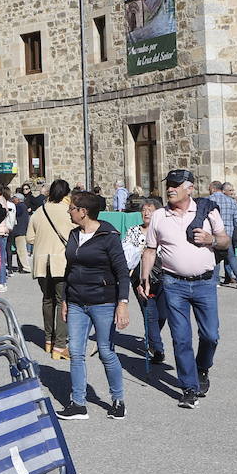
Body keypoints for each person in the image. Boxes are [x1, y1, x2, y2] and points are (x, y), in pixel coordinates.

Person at [140, 169, 230, 410]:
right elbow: (150, 249)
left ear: (190, 188)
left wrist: (211, 240)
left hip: (205, 282)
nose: (171, 188)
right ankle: (189, 388)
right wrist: (145, 277)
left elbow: (225, 240)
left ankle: (202, 368)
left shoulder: (207, 210)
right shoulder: (159, 216)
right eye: (169, 184)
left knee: (211, 335)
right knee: (181, 338)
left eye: (176, 184)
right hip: (173, 283)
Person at [57, 192, 130, 420]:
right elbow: (69, 270)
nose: (69, 211)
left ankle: (118, 400)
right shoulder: (73, 234)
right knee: (76, 352)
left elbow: (122, 273)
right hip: (77, 302)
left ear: (83, 212)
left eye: (72, 208)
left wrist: (122, 304)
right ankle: (78, 403)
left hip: (104, 302)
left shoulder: (108, 236)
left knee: (106, 352)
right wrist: (65, 300)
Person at [27, 179, 72, 360]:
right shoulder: (68, 212)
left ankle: (48, 340)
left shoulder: (39, 211)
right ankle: (60, 345)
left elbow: (30, 237)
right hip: (60, 261)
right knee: (63, 302)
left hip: (41, 261)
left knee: (47, 300)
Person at [122, 197, 167, 364]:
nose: (146, 213)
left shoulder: (164, 231)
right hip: (140, 278)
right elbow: (125, 254)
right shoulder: (133, 231)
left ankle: (151, 337)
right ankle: (158, 349)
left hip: (162, 277)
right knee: (150, 313)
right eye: (144, 210)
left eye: (150, 210)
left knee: (163, 314)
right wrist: (139, 252)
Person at [207, 180, 237, 289]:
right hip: (228, 233)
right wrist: (233, 227)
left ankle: (216, 281)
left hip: (214, 232)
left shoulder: (209, 200)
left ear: (213, 188)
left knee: (216, 257)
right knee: (232, 256)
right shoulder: (231, 201)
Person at [0, 183, 14, 293]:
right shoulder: (4, 200)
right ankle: (2, 279)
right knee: (1, 256)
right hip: (3, 231)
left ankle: (2, 281)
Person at [10, 192, 31, 273]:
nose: (13, 199)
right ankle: (21, 266)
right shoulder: (22, 206)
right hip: (20, 231)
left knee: (22, 251)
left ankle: (26, 267)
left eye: (14, 198)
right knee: (20, 250)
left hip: (20, 232)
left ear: (18, 199)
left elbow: (15, 213)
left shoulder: (20, 206)